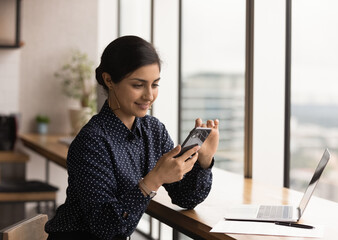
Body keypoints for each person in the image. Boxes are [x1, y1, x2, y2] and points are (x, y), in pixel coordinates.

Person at [45, 35, 219, 240]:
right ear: (109, 80)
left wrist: (204, 161)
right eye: (138, 85)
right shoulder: (92, 141)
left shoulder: (153, 130)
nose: (149, 95)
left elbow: (185, 197)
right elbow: (105, 227)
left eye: (155, 84)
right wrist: (153, 181)